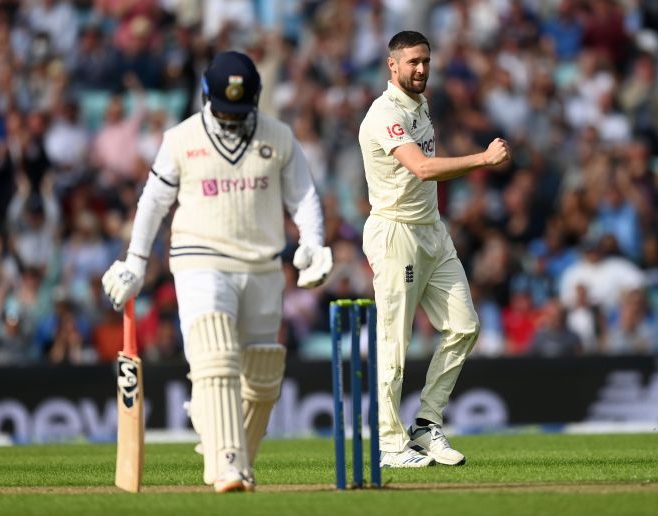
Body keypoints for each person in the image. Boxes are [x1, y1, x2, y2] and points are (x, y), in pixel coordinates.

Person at [101, 51, 332, 493]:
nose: (231, 121)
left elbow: (303, 197)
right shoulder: (181, 139)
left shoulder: (278, 137)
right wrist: (135, 260)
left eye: (239, 113)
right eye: (223, 112)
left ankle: (217, 434)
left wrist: (313, 242)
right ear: (205, 96)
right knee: (215, 355)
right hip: (199, 258)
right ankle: (230, 463)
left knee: (263, 381)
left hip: (262, 265)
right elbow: (153, 202)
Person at [358, 31, 510, 468]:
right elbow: (422, 168)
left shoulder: (420, 105)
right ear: (392, 65)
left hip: (431, 231)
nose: (421, 69)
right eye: (412, 63)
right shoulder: (384, 114)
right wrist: (482, 159)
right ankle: (389, 445)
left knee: (464, 326)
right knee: (394, 343)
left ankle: (425, 424)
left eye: (425, 61)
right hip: (396, 234)